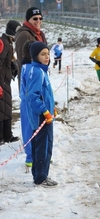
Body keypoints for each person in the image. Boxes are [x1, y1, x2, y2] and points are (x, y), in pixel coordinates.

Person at [26, 41, 57, 187]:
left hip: (46, 116)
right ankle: (40, 178)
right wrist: (44, 111)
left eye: (48, 54)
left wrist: (52, 108)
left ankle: (41, 175)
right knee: (42, 148)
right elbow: (33, 96)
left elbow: (46, 95)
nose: (47, 57)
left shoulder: (42, 70)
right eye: (43, 54)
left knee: (46, 145)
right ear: (35, 56)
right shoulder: (37, 72)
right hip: (41, 118)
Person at [0, 20, 21, 144]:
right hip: (1, 81)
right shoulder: (3, 43)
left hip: (5, 80)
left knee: (6, 108)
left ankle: (7, 135)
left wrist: (13, 67)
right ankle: (3, 137)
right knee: (3, 108)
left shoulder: (8, 42)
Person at [15, 7, 47, 86]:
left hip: (40, 75)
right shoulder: (24, 35)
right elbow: (23, 61)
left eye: (40, 18)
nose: (38, 21)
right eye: (35, 18)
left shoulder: (40, 34)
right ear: (28, 20)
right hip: (30, 80)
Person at [19, 40, 35, 168]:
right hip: (30, 103)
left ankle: (35, 155)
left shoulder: (28, 66)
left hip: (28, 102)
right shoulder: (30, 68)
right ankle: (31, 156)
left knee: (31, 129)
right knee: (29, 129)